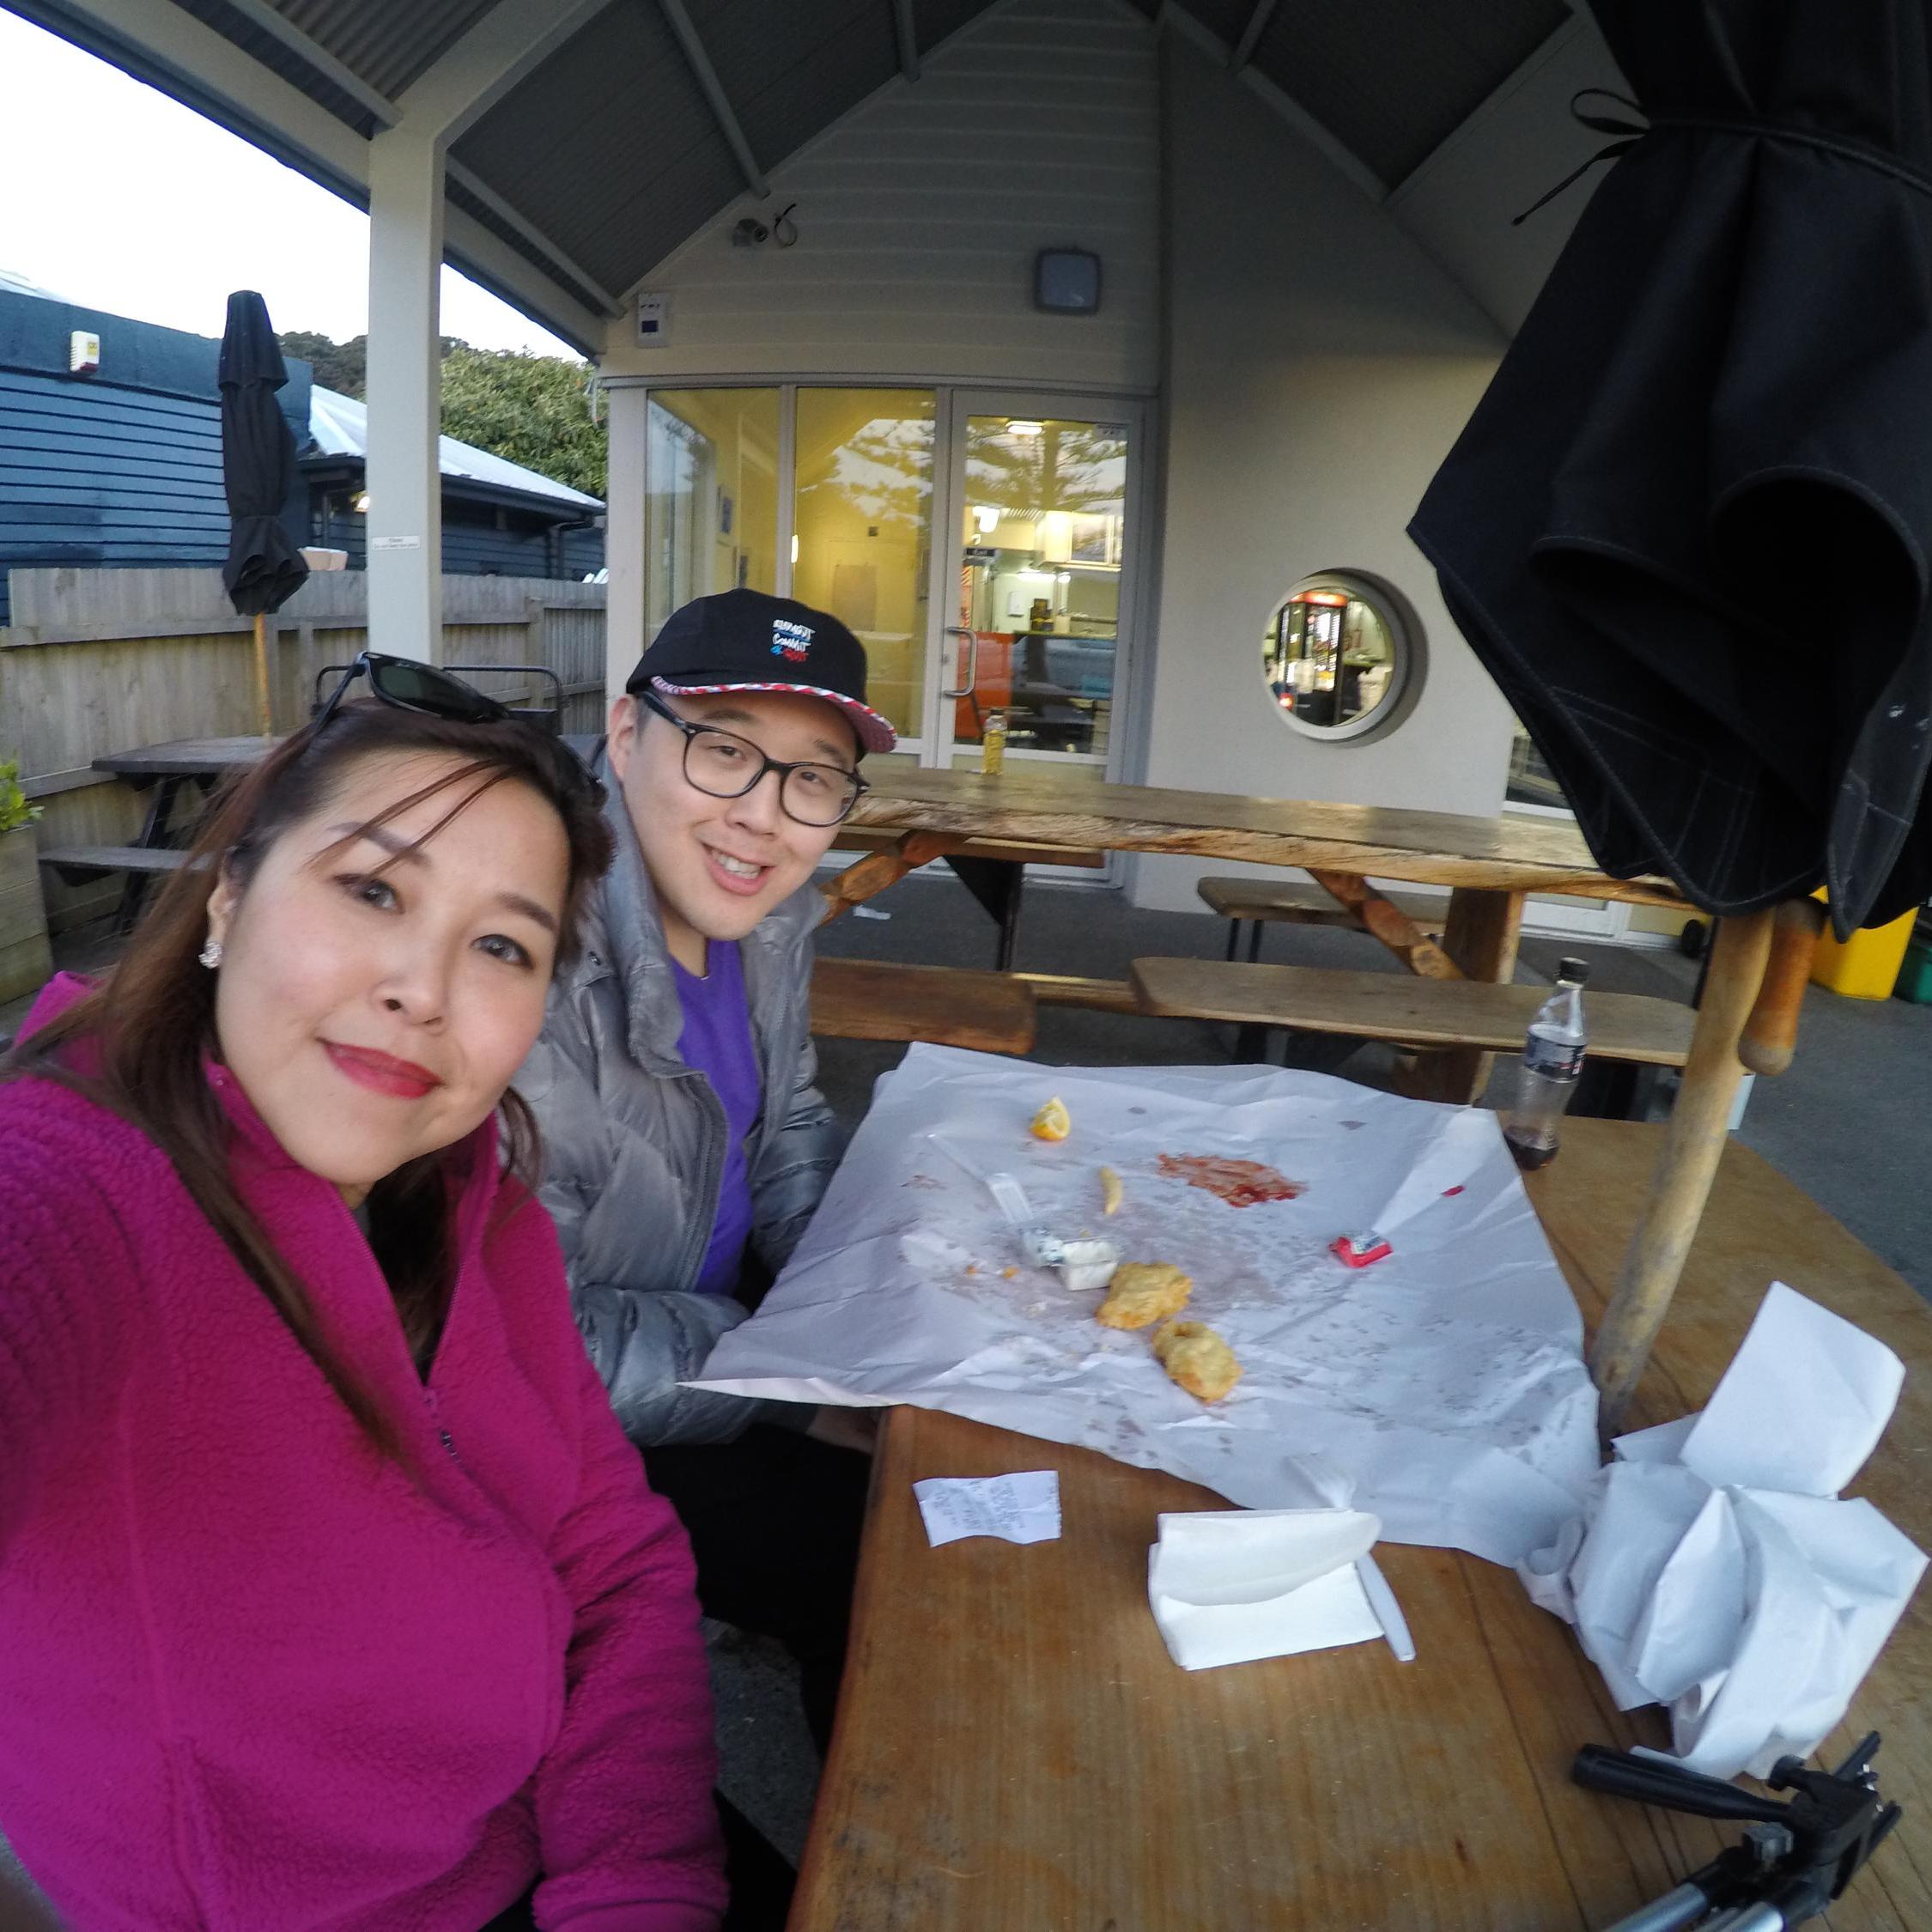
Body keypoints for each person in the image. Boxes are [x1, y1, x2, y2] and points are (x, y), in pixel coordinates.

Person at [0, 658, 731, 1932]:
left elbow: (611, 1555)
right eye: (373, 887)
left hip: (564, 1844)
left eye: (502, 943)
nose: (423, 991)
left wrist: (641, 1881)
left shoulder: (467, 1188)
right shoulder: (81, 1191)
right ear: (227, 900)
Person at [519, 590, 896, 1749]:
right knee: (887, 1571)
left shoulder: (765, 920)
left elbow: (783, 1124)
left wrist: (857, 1298)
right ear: (627, 736)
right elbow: (507, 1335)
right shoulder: (527, 963)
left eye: (812, 777)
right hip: (581, 1436)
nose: (764, 817)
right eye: (724, 749)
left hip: (735, 1343)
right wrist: (782, 1380)